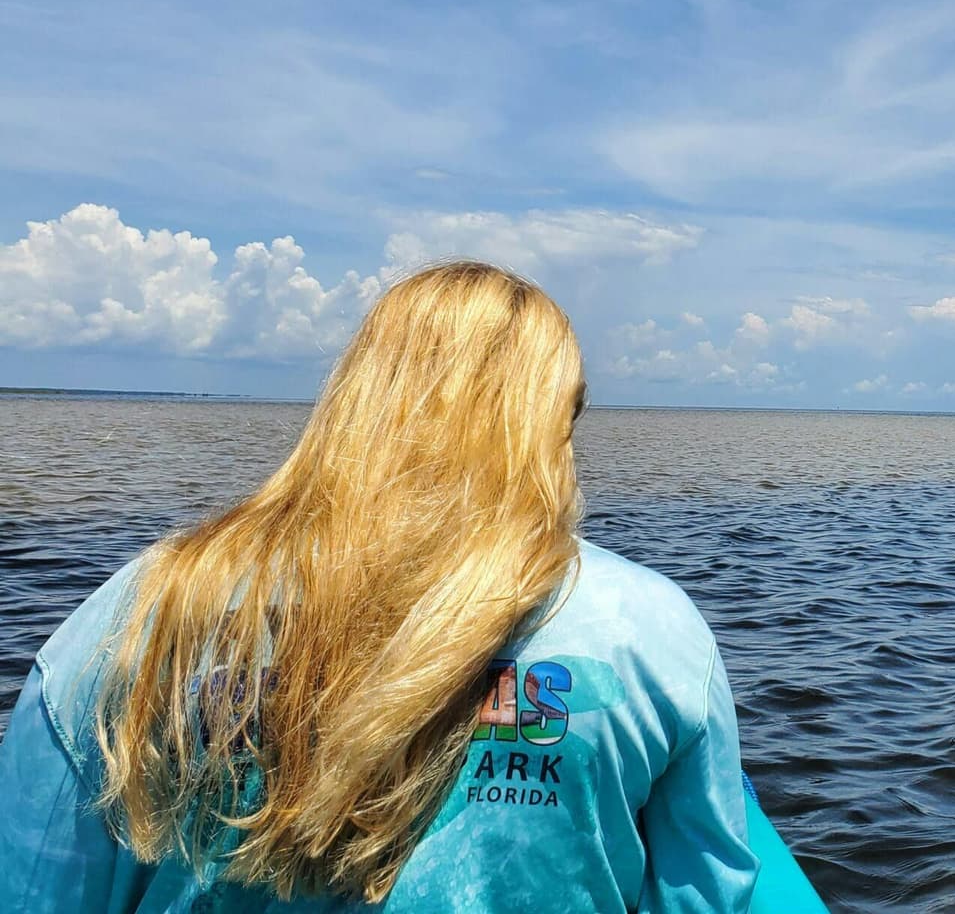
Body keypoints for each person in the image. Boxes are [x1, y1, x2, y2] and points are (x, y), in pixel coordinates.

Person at [0, 262, 758, 912]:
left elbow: (37, 885)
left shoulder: (142, 610)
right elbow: (705, 893)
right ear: (554, 421)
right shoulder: (653, 630)